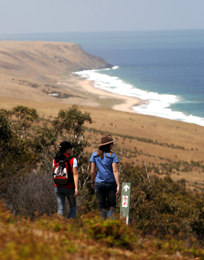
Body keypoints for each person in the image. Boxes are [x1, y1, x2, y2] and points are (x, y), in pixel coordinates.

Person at [89, 134, 120, 219]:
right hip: (111, 184)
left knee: (101, 208)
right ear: (109, 145)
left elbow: (92, 171)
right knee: (112, 206)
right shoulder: (113, 156)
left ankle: (102, 228)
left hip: (98, 183)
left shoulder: (94, 155)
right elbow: (115, 170)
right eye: (112, 143)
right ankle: (110, 227)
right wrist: (118, 185)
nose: (113, 145)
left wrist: (92, 182)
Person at [53, 141, 79, 219]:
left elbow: (53, 172)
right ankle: (70, 225)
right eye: (70, 148)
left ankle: (58, 227)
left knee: (60, 210)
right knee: (73, 206)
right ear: (67, 150)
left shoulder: (55, 159)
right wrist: (76, 188)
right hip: (70, 187)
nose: (71, 150)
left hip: (57, 186)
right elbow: (75, 174)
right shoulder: (72, 160)